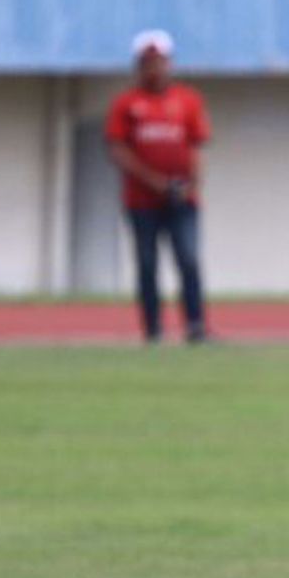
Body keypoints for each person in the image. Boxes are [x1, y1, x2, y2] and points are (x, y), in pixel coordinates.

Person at [106, 29, 211, 344]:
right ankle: (153, 330)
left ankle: (195, 326)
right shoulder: (127, 104)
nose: (155, 69)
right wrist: (155, 182)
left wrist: (191, 183)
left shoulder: (187, 101)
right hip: (142, 201)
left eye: (160, 62)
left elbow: (198, 145)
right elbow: (118, 149)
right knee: (147, 264)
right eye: (148, 62)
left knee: (189, 259)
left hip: (183, 199)